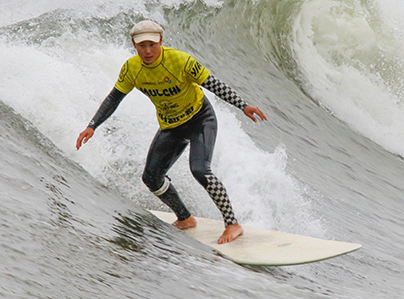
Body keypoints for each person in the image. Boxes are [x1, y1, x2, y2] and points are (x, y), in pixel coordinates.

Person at [76, 20, 267, 243]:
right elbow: (114, 98)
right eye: (142, 45)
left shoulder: (179, 60)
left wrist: (243, 105)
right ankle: (185, 218)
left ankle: (233, 224)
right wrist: (92, 126)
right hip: (171, 126)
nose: (147, 50)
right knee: (151, 178)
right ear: (134, 45)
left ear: (161, 41)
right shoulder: (131, 69)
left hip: (200, 119)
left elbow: (214, 84)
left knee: (199, 170)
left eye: (152, 44)